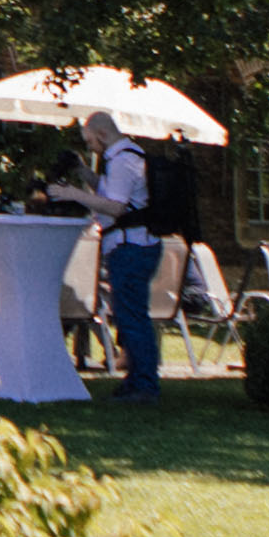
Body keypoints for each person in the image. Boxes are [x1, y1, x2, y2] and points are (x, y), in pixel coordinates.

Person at [82, 111, 165, 398]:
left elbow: (116, 207)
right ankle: (136, 379)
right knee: (129, 316)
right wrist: (82, 171)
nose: (91, 147)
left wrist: (74, 195)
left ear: (102, 134)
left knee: (133, 317)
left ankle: (145, 385)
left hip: (131, 248)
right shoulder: (129, 156)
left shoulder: (121, 161)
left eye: (90, 141)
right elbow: (110, 192)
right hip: (136, 246)